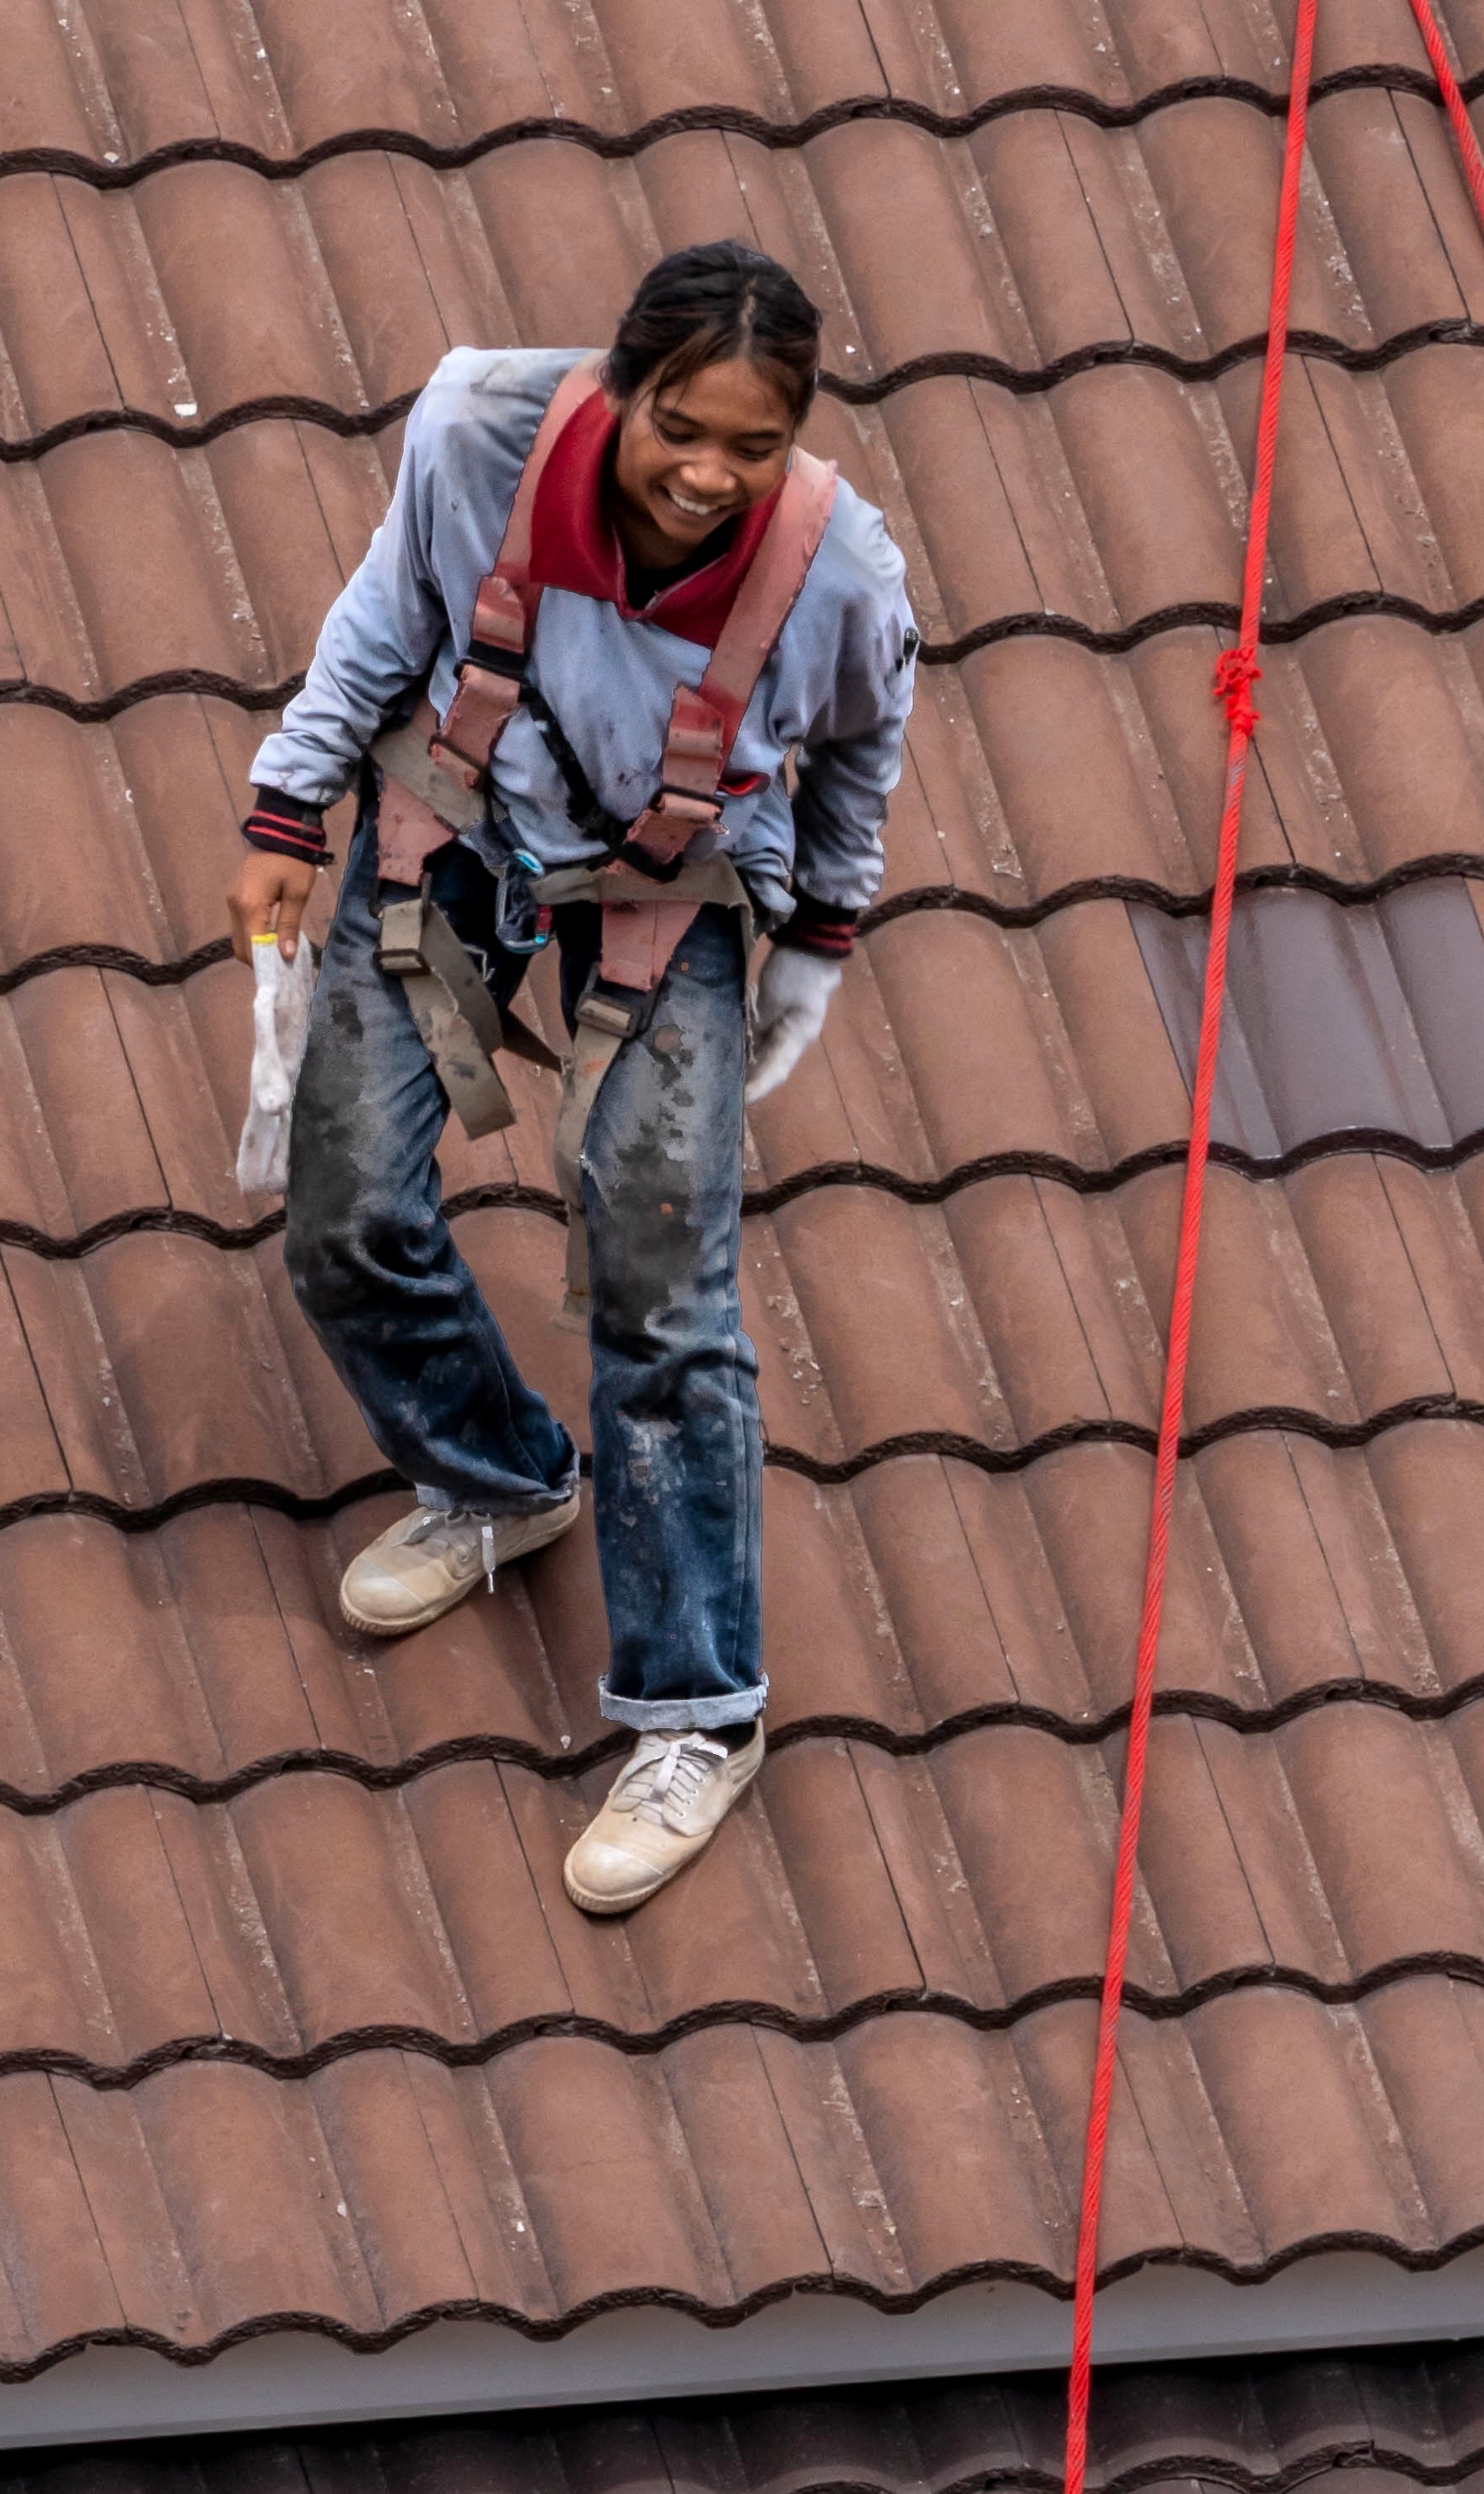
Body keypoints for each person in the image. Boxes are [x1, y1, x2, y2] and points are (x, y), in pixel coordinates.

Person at [231, 246, 918, 1920]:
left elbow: (857, 750)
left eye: (752, 446)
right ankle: (496, 1473)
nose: (707, 474)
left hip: (671, 886)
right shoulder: (477, 435)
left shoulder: (837, 575)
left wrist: (820, 938)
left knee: (658, 1289)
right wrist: (289, 803)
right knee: (346, 1209)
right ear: (618, 389)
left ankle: (699, 1714)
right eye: (678, 427)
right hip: (462, 833)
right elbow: (388, 612)